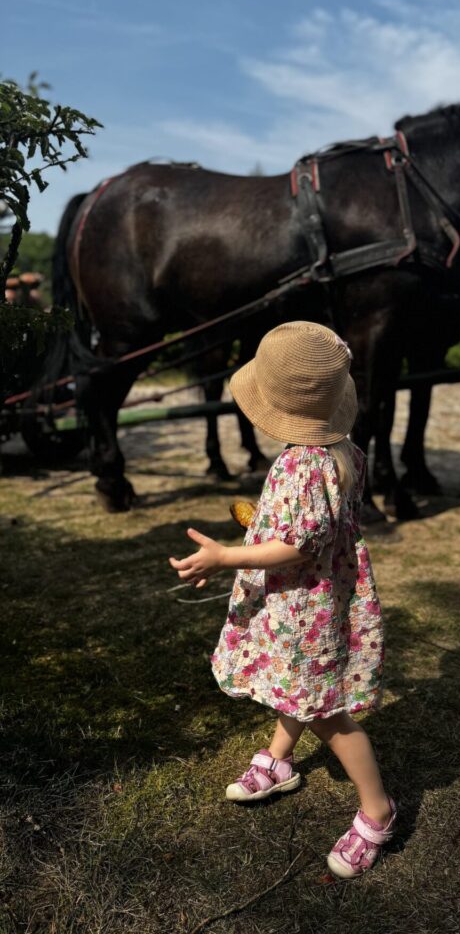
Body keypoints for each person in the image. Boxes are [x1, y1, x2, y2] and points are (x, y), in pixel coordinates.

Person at [169, 321, 395, 879]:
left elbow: (295, 544)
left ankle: (377, 809)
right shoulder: (345, 452)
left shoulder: (301, 466)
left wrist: (226, 557)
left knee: (328, 714)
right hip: (321, 599)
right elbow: (311, 531)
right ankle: (279, 758)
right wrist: (261, 524)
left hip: (304, 608)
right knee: (297, 687)